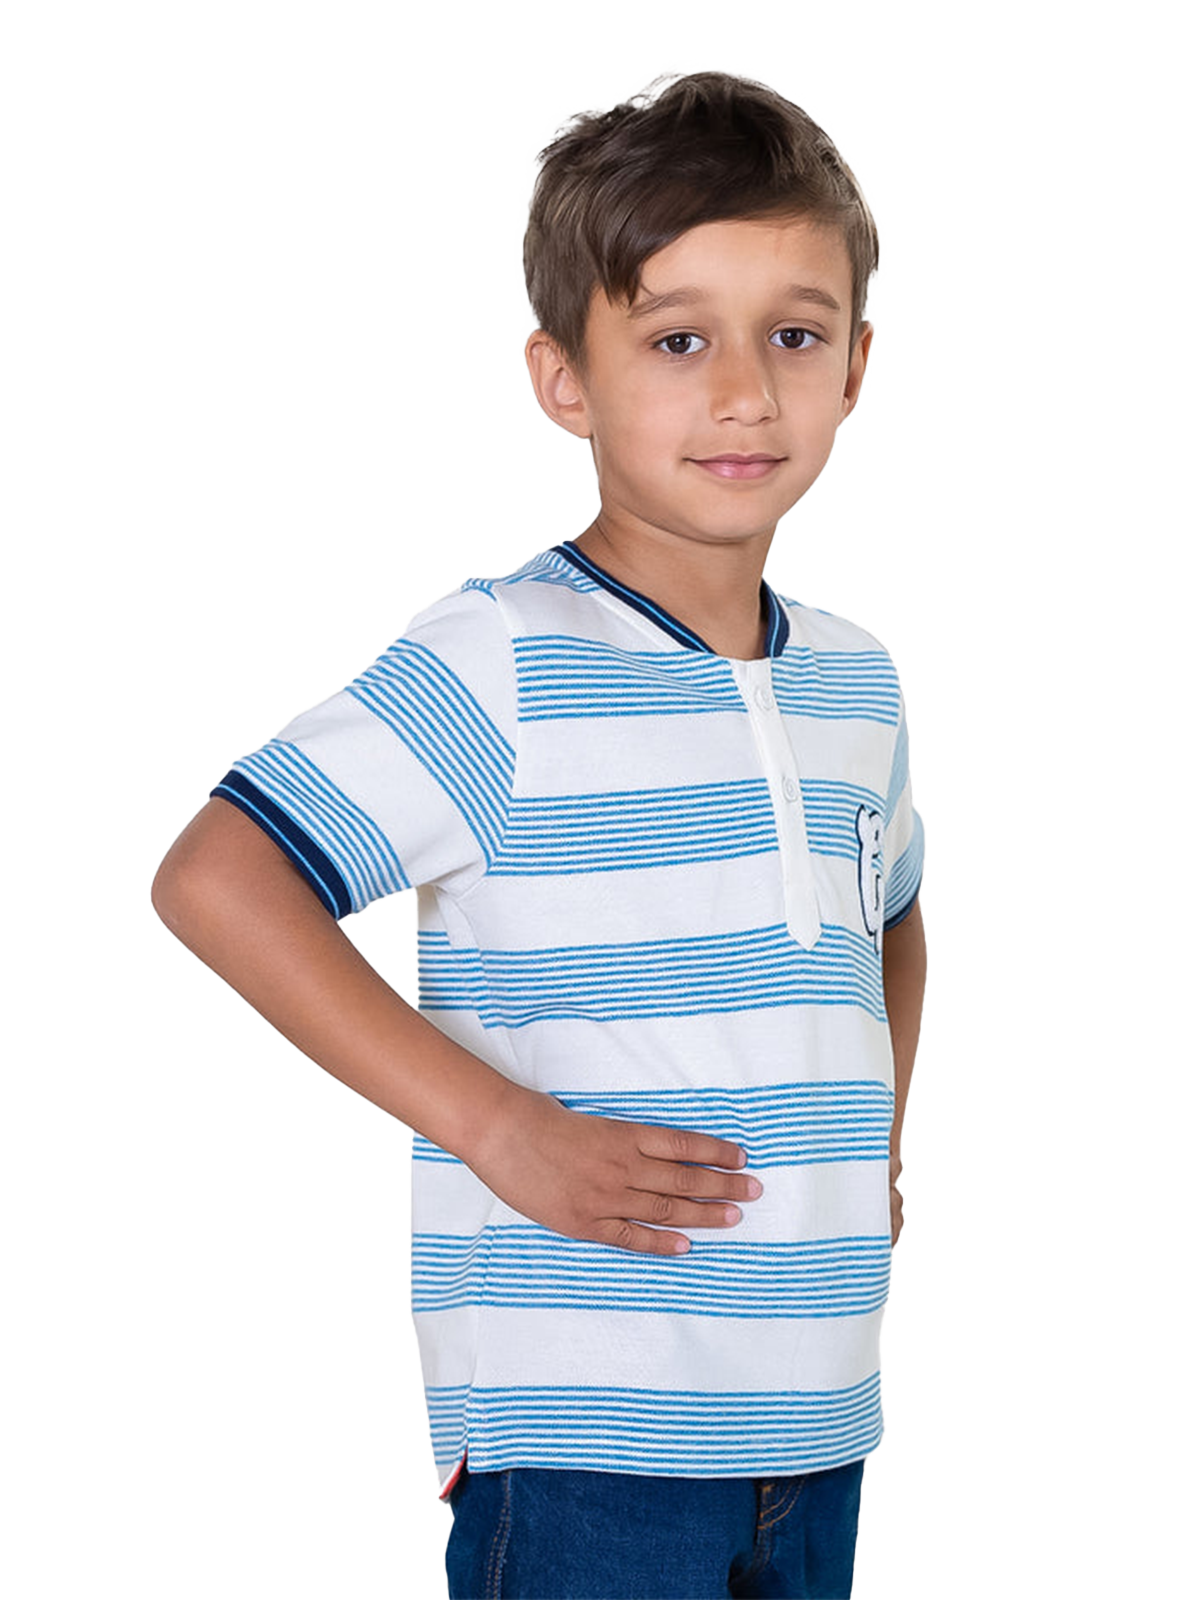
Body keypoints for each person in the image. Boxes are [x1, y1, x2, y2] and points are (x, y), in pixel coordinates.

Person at [151, 66, 927, 1600]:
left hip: (822, 1416)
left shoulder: (857, 682)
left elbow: (889, 919)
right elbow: (217, 878)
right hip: (585, 1431)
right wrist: (501, 1131)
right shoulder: (500, 658)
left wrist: (873, 1144)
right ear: (563, 379)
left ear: (854, 368)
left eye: (793, 335)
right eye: (678, 339)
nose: (744, 393)